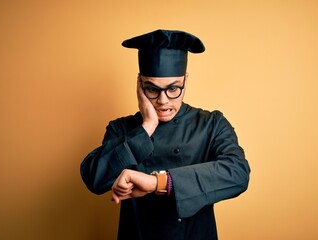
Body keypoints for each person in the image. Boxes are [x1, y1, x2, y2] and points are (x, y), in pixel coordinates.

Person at [80, 29, 250, 240]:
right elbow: (94, 178)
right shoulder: (121, 128)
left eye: (173, 88)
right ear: (139, 84)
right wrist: (147, 127)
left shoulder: (212, 124)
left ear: (185, 80)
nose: (163, 100)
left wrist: (158, 183)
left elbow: (238, 173)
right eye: (152, 89)